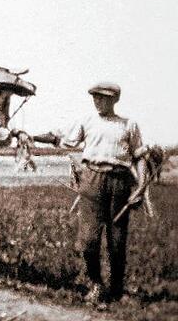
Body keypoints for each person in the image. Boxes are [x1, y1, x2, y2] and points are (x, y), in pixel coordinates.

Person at [27, 82, 147, 303]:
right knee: (89, 240)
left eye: (103, 98)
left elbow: (139, 158)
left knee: (117, 241)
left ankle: (117, 290)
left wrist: (140, 187)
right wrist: (31, 137)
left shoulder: (129, 125)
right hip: (92, 180)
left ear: (115, 100)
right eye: (95, 97)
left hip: (120, 183)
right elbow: (60, 138)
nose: (98, 101)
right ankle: (96, 284)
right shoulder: (87, 121)